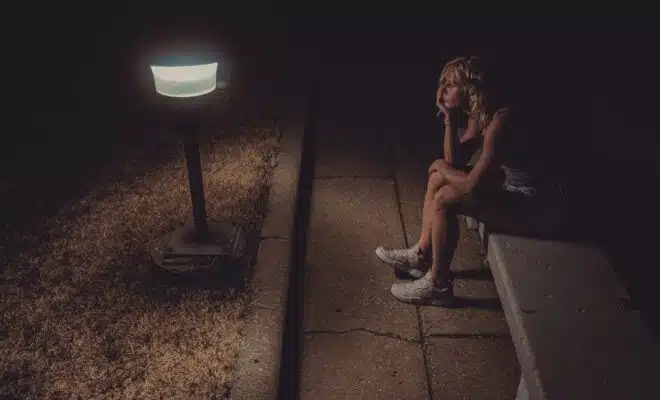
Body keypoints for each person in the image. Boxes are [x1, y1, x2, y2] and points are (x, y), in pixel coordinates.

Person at [375, 56, 565, 306]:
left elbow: (472, 185)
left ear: (470, 88)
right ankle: (422, 255)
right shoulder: (481, 111)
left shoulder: (500, 120)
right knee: (437, 178)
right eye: (443, 83)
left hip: (537, 208)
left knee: (445, 198)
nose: (443, 91)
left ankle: (439, 285)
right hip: (511, 190)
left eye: (451, 85)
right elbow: (454, 159)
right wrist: (450, 117)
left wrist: (443, 167)